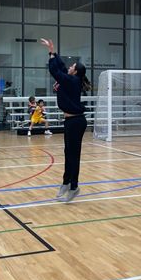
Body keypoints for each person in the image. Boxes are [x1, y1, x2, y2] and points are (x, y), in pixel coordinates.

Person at [41, 38, 90, 202]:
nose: (69, 67)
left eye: (72, 67)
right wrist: (52, 51)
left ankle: (74, 187)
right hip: (70, 122)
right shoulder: (72, 79)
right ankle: (66, 182)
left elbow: (56, 71)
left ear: (75, 72)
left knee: (73, 156)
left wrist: (51, 57)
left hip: (76, 122)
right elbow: (61, 67)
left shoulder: (72, 81)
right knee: (68, 153)